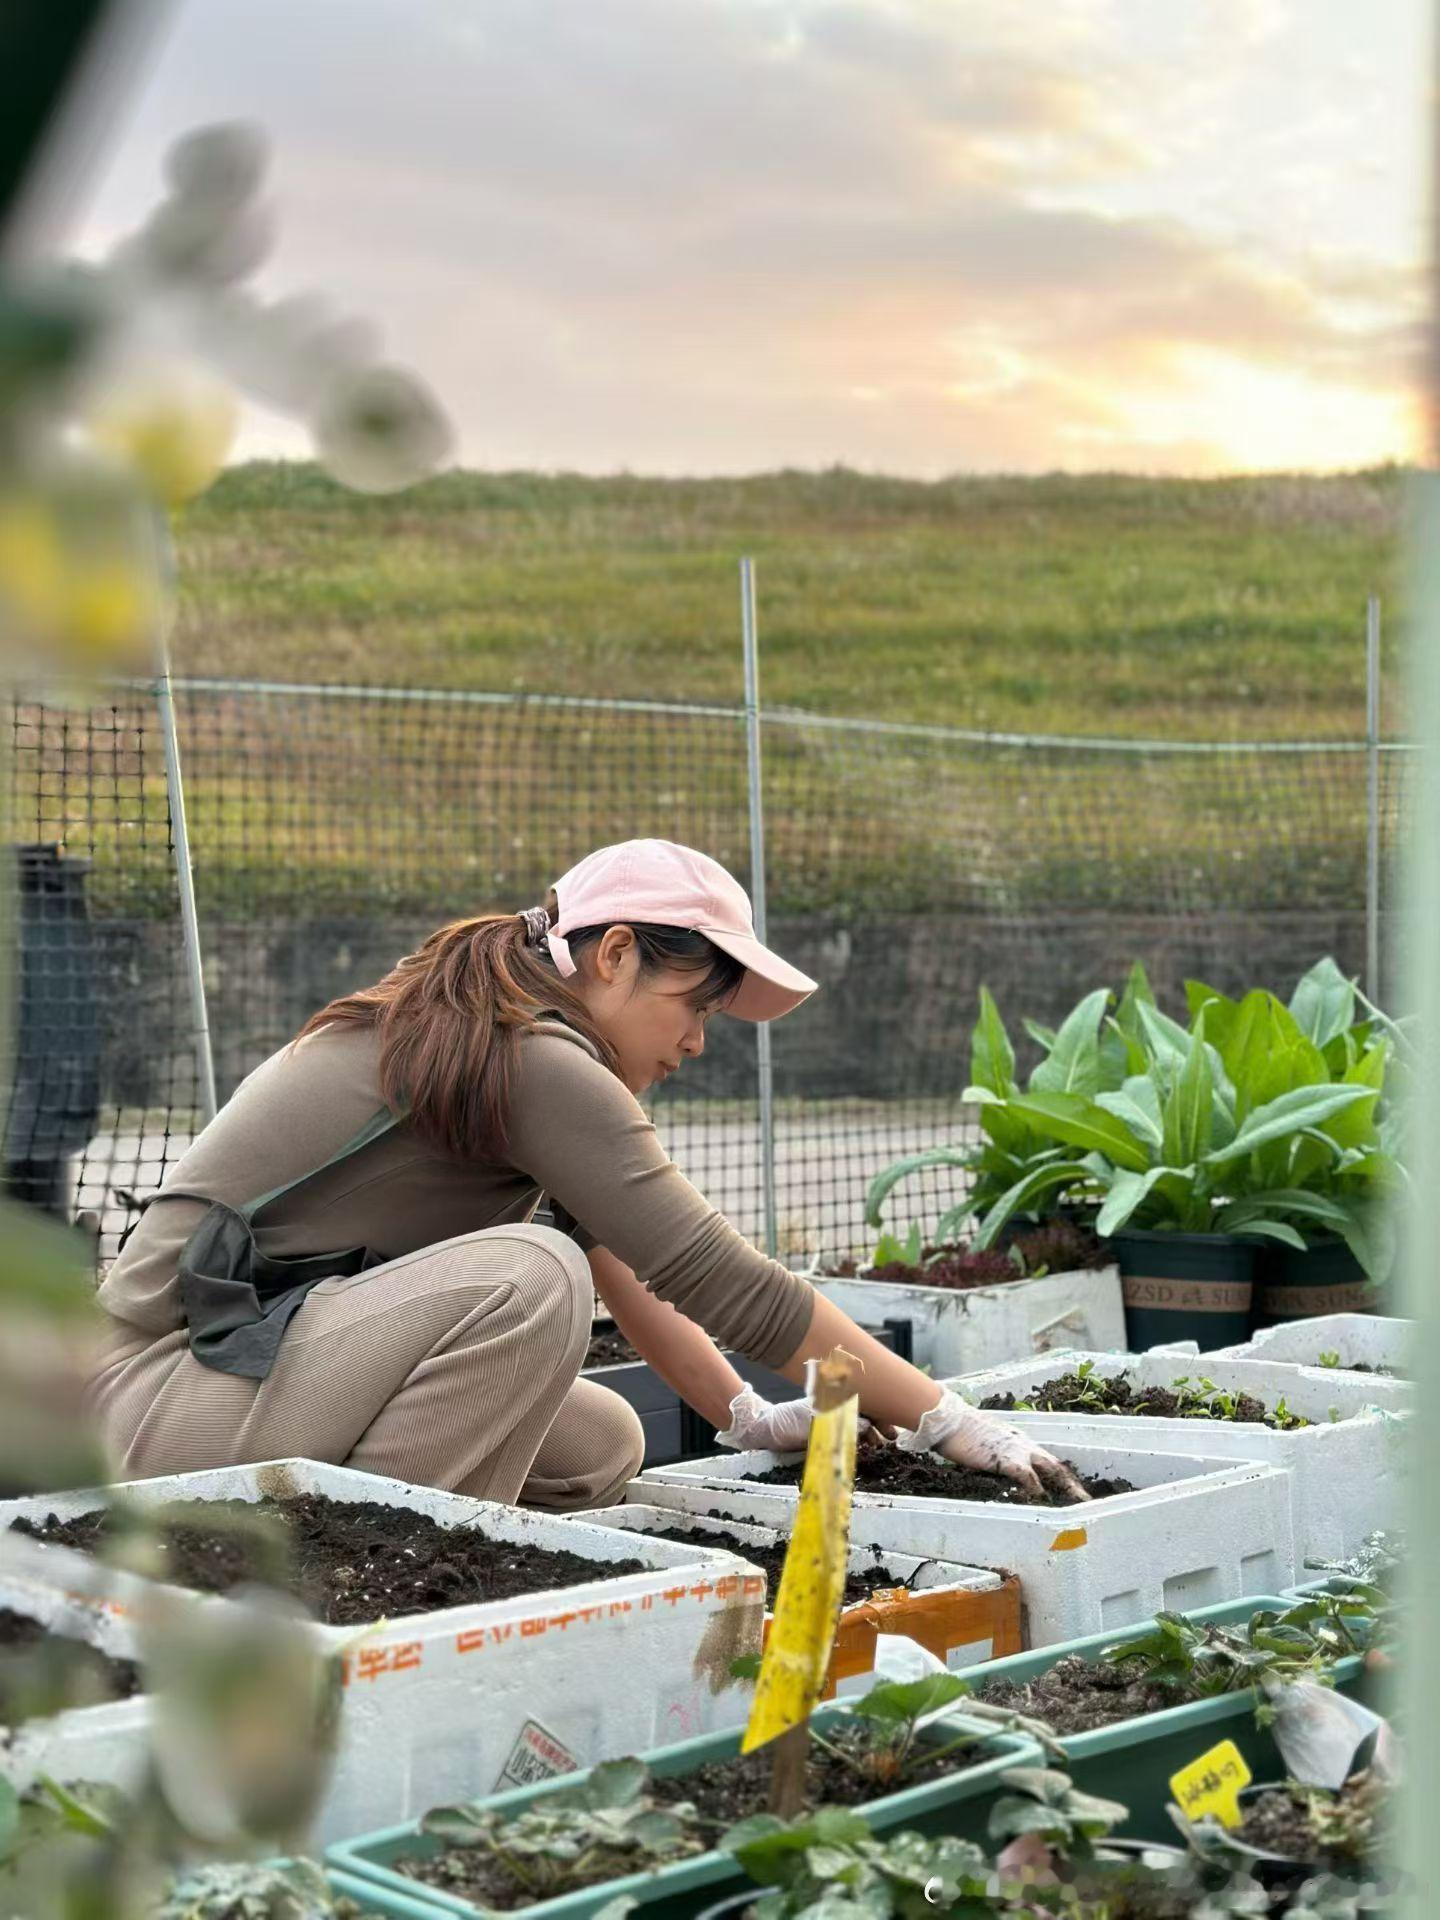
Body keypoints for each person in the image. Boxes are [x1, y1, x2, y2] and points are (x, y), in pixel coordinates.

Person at [89, 839, 1084, 1511]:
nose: (698, 1041)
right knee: (529, 1281)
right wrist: (949, 1421)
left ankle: (365, 1534)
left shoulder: (505, 1023)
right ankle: (330, 1585)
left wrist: (740, 1413)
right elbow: (722, 1278)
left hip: (241, 1369)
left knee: (602, 1441)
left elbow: (626, 1263)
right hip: (142, 1397)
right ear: (615, 955)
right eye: (695, 1006)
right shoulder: (531, 1057)